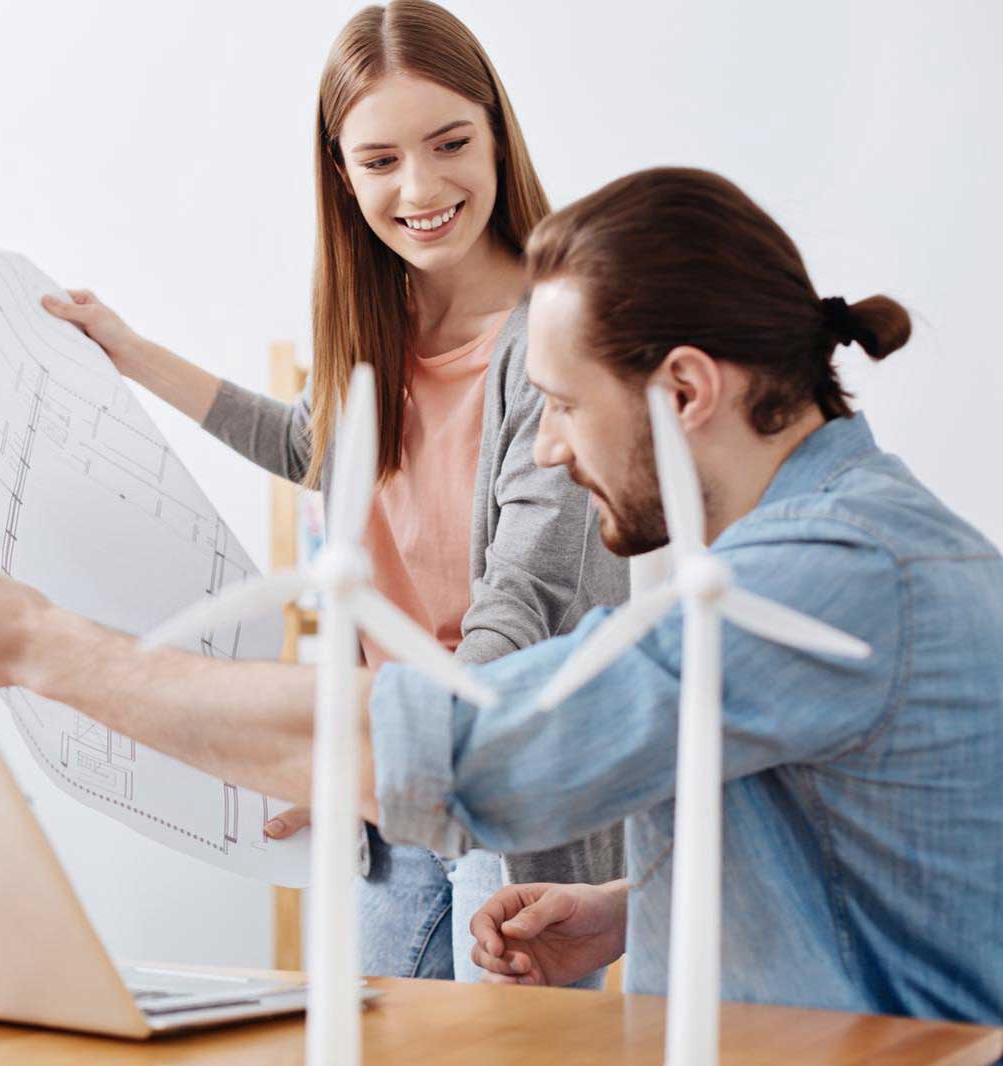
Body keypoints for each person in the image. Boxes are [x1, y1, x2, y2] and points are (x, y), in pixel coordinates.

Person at [0, 166, 1003, 1061]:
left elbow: (473, 744)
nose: (541, 447)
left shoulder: (827, 571)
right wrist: (626, 907)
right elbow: (871, 860)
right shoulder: (845, 534)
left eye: (559, 405)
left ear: (685, 390)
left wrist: (43, 647)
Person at [41, 0, 626, 982]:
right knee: (365, 1028)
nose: (422, 186)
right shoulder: (373, 318)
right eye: (381, 160)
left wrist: (379, 740)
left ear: (495, 133)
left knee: (498, 1043)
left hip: (507, 768)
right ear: (341, 169)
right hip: (387, 773)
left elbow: (521, 592)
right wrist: (132, 355)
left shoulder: (557, 332)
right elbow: (305, 443)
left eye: (450, 144)